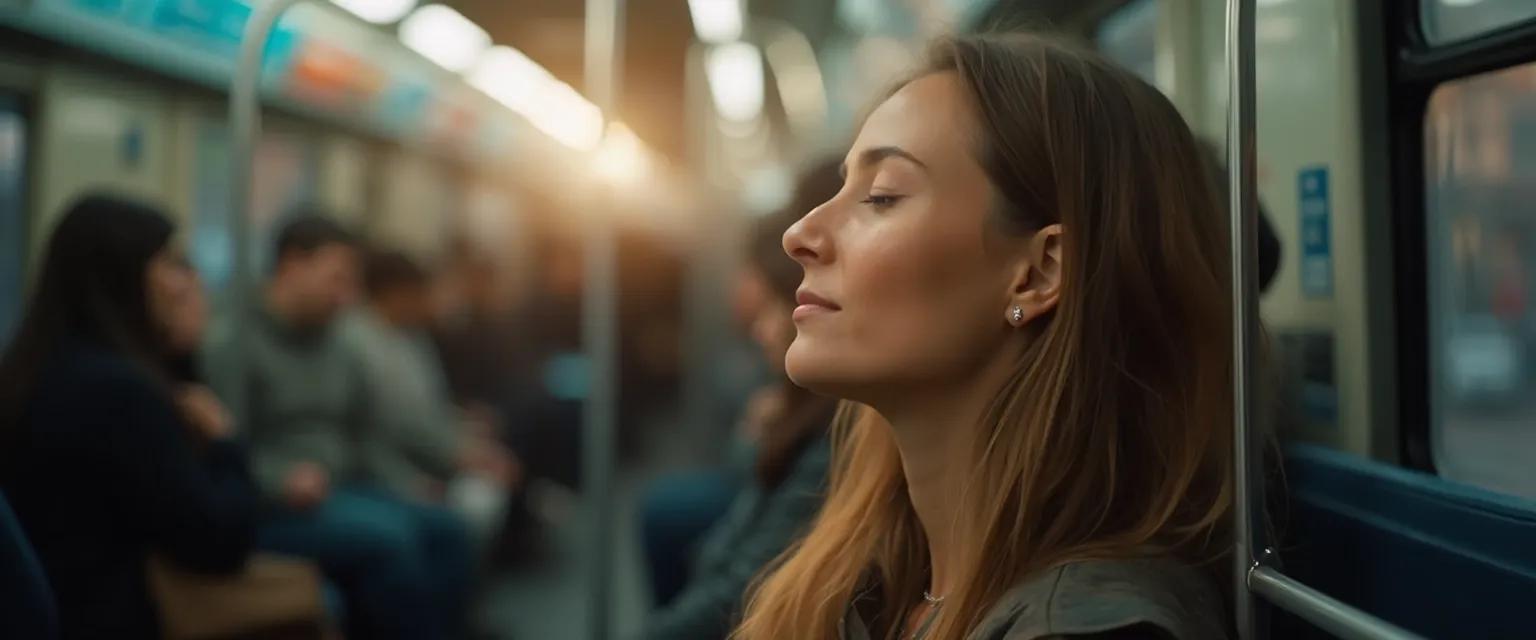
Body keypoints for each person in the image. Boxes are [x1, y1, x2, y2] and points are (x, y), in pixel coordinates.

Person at [735, 34, 1234, 640]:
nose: (800, 234)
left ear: (1040, 272)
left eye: (881, 196)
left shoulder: (1091, 628)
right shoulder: (876, 579)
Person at [0, 194, 257, 639]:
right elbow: (216, 541)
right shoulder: (120, 395)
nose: (187, 284)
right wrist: (224, 441)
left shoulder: (27, 369)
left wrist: (181, 352)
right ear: (125, 274)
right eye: (173, 265)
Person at [204, 214, 470, 640]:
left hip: (344, 485)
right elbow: (220, 448)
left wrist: (403, 481)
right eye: (337, 280)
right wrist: (278, 479)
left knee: (448, 529)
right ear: (292, 266)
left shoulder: (340, 343)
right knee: (388, 539)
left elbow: (364, 433)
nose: (346, 298)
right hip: (276, 503)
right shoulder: (231, 344)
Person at [638, 157, 844, 609]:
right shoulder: (806, 383)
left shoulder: (836, 406)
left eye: (884, 199)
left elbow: (742, 575)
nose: (798, 238)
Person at [346, 248, 520, 543]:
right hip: (394, 469)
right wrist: (455, 455)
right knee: (473, 507)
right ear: (395, 294)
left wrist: (468, 440)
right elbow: (388, 427)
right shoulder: (358, 345)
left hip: (431, 455)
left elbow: (431, 408)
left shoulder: (412, 338)